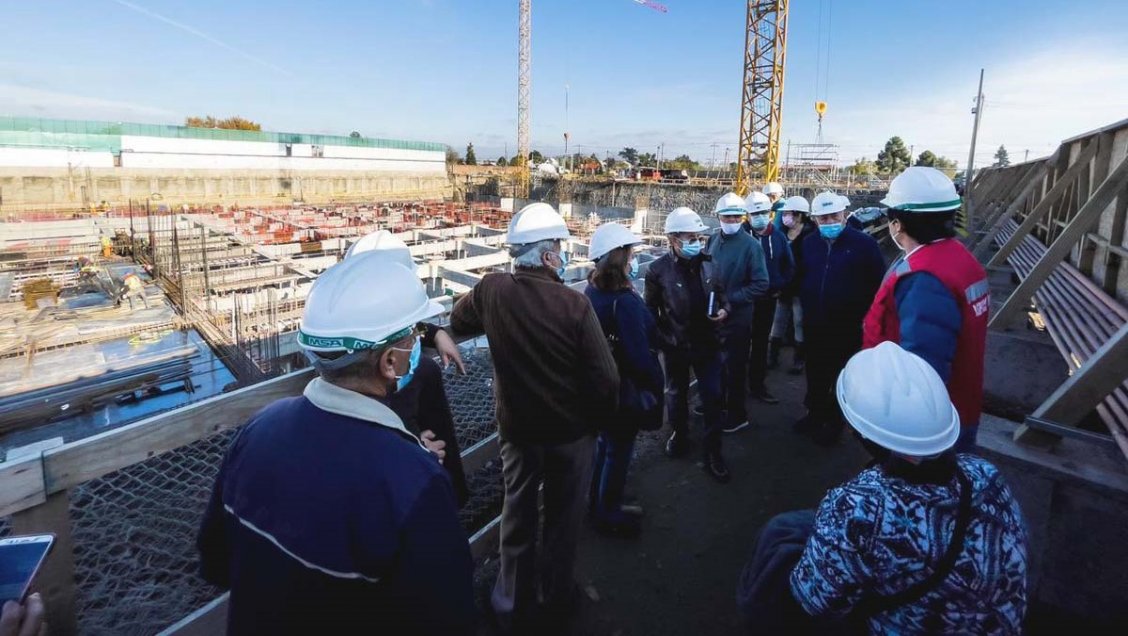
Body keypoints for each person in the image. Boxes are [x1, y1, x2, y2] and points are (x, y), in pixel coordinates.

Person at [198, 255, 476, 635]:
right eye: (414, 336)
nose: (418, 344)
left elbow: (216, 562)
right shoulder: (415, 482)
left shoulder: (259, 429)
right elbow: (448, 616)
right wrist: (411, 463)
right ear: (391, 363)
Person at [738, 342, 1027, 635]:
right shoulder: (985, 474)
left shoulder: (859, 508)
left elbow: (814, 601)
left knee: (781, 538)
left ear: (861, 434)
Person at [450, 202, 619, 632]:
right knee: (563, 520)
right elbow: (606, 379)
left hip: (518, 432)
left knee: (517, 515)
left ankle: (509, 602)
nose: (562, 254)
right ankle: (556, 596)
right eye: (559, 248)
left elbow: (458, 319)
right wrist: (595, 422)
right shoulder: (574, 305)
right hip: (569, 433)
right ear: (546, 257)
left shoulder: (491, 290)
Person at [863, 167, 989, 453]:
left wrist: (910, 449)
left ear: (897, 224)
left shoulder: (925, 279)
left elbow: (922, 373)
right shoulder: (958, 259)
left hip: (927, 428)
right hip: (958, 403)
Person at [347, 229, 469, 504]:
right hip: (405, 489)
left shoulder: (349, 357)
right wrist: (413, 448)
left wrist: (433, 332)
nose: (413, 338)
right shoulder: (404, 373)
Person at [584, 222, 664, 538]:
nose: (633, 260)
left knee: (604, 445)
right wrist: (654, 384)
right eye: (629, 255)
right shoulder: (625, 301)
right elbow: (640, 355)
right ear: (619, 258)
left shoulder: (591, 291)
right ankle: (608, 511)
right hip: (624, 390)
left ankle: (598, 503)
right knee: (618, 451)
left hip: (600, 385)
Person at [646, 207, 732, 482]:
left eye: (698, 237)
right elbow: (651, 314)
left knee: (713, 396)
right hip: (677, 346)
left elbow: (722, 296)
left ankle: (713, 451)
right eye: (690, 238)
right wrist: (665, 340)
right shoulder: (657, 271)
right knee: (676, 394)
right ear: (672, 239)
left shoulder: (709, 263)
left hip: (708, 344)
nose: (696, 243)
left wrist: (724, 311)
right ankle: (680, 434)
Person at [797, 191, 885, 446]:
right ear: (814, 220)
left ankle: (834, 422)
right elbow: (803, 275)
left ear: (845, 215)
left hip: (847, 325)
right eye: (823, 218)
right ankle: (814, 414)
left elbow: (877, 284)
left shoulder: (864, 245)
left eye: (834, 216)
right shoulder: (809, 243)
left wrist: (866, 319)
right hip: (814, 322)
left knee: (841, 374)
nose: (829, 222)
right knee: (815, 370)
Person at [707, 193, 770, 430]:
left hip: (738, 319)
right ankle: (717, 403)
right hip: (714, 317)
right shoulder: (713, 240)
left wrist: (729, 303)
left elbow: (761, 283)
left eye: (736, 217)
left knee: (734, 367)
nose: (732, 221)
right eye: (727, 217)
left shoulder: (751, 246)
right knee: (716, 365)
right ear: (719, 217)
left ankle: (737, 414)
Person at [742, 191, 794, 403]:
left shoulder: (777, 237)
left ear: (770, 213)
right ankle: (734, 388)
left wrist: (779, 286)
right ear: (747, 215)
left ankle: (757, 385)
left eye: (763, 212)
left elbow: (788, 266)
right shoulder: (741, 236)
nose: (759, 217)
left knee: (760, 344)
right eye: (755, 213)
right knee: (739, 344)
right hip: (743, 301)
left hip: (767, 299)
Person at [769, 195, 817, 374]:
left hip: (801, 287)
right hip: (784, 286)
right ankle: (772, 356)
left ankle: (799, 359)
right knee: (778, 320)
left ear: (799, 215)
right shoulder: (782, 234)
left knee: (799, 321)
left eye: (788, 213)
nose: (785, 217)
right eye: (785, 213)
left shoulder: (811, 235)